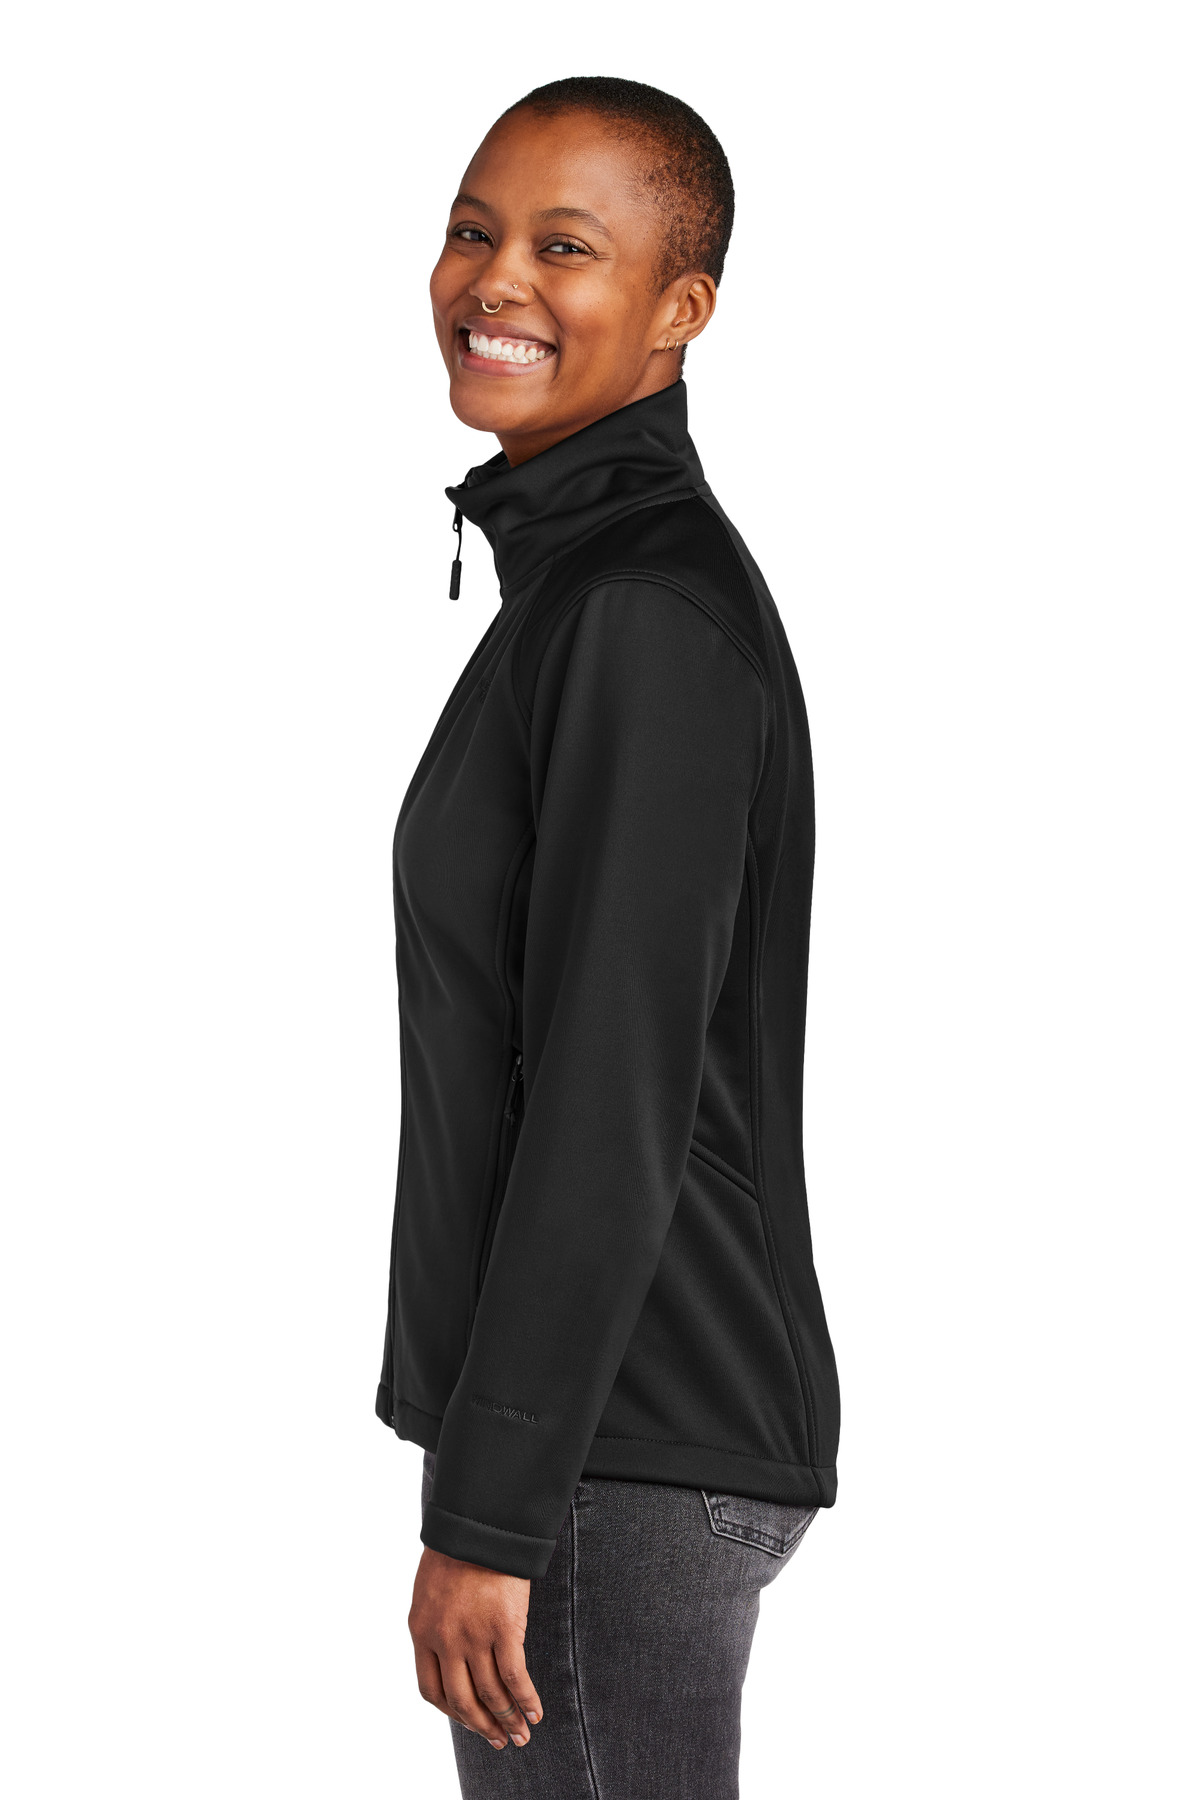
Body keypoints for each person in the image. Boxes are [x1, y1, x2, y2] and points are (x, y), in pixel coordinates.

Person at [375, 76, 840, 1799]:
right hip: (607, 1442)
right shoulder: (587, 593)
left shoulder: (640, 611)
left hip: (614, 1455)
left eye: (566, 247)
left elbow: (609, 1090)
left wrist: (495, 1512)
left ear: (679, 307)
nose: (495, 279)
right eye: (473, 230)